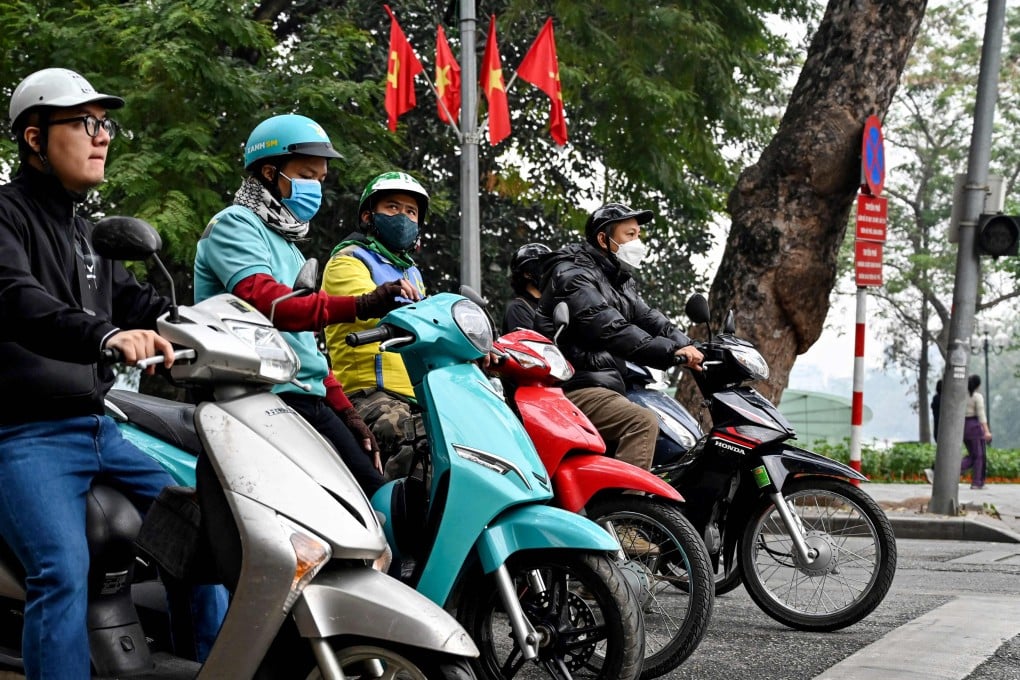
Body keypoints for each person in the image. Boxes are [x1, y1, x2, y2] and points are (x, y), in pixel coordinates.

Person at [0, 67, 221, 678]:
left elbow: (143, 306)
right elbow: (15, 297)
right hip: (25, 433)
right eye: (84, 123)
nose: (102, 137)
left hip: (103, 430)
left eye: (105, 125)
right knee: (59, 570)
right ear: (35, 138)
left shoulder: (88, 234)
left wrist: (217, 325)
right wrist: (104, 334)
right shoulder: (5, 215)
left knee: (207, 539)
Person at [193, 116, 416, 498]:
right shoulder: (234, 225)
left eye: (321, 178)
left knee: (375, 495)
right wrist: (364, 304)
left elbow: (308, 351)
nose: (316, 187)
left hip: (303, 395)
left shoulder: (292, 248)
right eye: (307, 175)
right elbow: (272, 306)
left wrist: (348, 414)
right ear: (269, 172)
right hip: (254, 395)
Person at [533, 202, 703, 472]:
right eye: (630, 235)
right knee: (642, 422)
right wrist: (671, 353)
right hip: (574, 386)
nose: (638, 242)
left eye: (638, 235)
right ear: (604, 239)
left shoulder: (617, 279)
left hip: (605, 384)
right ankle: (626, 512)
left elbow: (649, 318)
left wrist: (690, 344)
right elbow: (611, 328)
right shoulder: (573, 275)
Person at [322, 171, 429, 479]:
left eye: (411, 212)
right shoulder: (348, 260)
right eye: (392, 208)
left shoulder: (413, 274)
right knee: (418, 445)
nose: (403, 217)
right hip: (368, 393)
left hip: (416, 395)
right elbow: (371, 308)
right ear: (369, 216)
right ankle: (396, 518)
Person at [503, 242, 552, 334]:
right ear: (527, 274)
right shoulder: (518, 309)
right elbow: (530, 345)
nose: (550, 272)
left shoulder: (550, 306)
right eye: (544, 267)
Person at [961, 374, 991, 489]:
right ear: (978, 385)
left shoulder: (962, 395)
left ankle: (949, 469)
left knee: (973, 455)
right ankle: (977, 482)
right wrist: (987, 431)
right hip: (974, 427)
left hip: (963, 427)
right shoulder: (977, 397)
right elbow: (981, 415)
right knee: (979, 456)